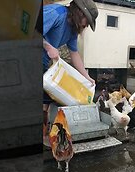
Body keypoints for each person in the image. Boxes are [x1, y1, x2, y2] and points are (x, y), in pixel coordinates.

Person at [40, 0, 98, 146]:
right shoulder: (55, 14)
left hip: (46, 64)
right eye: (87, 21)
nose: (86, 26)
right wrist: (48, 47)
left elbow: (74, 53)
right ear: (80, 13)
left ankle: (45, 133)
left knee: (47, 101)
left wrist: (86, 76)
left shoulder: (73, 28)